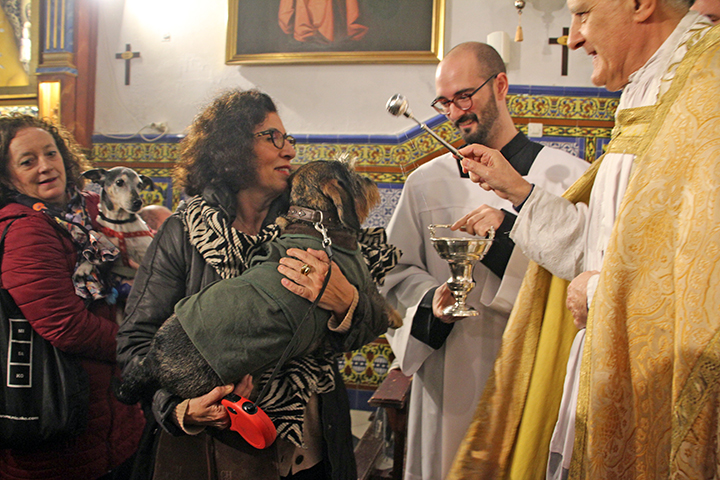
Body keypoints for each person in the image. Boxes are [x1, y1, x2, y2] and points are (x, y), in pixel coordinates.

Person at [448, 2, 719, 479]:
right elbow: (599, 246)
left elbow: (704, 285)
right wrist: (518, 190)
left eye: (584, 13)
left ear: (640, 5)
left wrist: (597, 292)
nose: (572, 38)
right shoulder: (654, 87)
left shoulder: (707, 92)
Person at [116, 89, 390, 480]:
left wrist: (346, 302)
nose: (289, 151)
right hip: (214, 452)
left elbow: (377, 318)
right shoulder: (183, 233)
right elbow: (135, 347)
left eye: (288, 138)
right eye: (272, 138)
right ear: (231, 149)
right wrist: (179, 410)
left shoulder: (318, 227)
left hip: (313, 446)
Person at [380, 42, 589, 480]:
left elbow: (585, 279)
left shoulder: (568, 176)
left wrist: (505, 241)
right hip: (450, 377)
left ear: (500, 85)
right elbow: (393, 276)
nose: (454, 113)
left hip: (534, 379)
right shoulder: (425, 184)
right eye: (444, 102)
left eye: (464, 96)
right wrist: (430, 307)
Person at [0, 115, 145, 480]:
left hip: (110, 418)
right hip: (61, 424)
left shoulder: (87, 212)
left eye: (51, 153)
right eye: (27, 161)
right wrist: (140, 345)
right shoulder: (26, 231)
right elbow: (65, 326)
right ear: (7, 176)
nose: (46, 166)